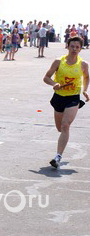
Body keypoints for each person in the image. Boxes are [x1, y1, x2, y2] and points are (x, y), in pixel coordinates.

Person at [43, 36, 89, 168]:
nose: (74, 49)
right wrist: (54, 83)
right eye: (72, 46)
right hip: (59, 97)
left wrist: (85, 90)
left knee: (65, 125)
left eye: (77, 47)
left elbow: (86, 77)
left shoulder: (83, 64)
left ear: (80, 49)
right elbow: (46, 77)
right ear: (67, 47)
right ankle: (62, 142)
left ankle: (57, 157)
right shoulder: (58, 62)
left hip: (73, 98)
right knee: (59, 128)